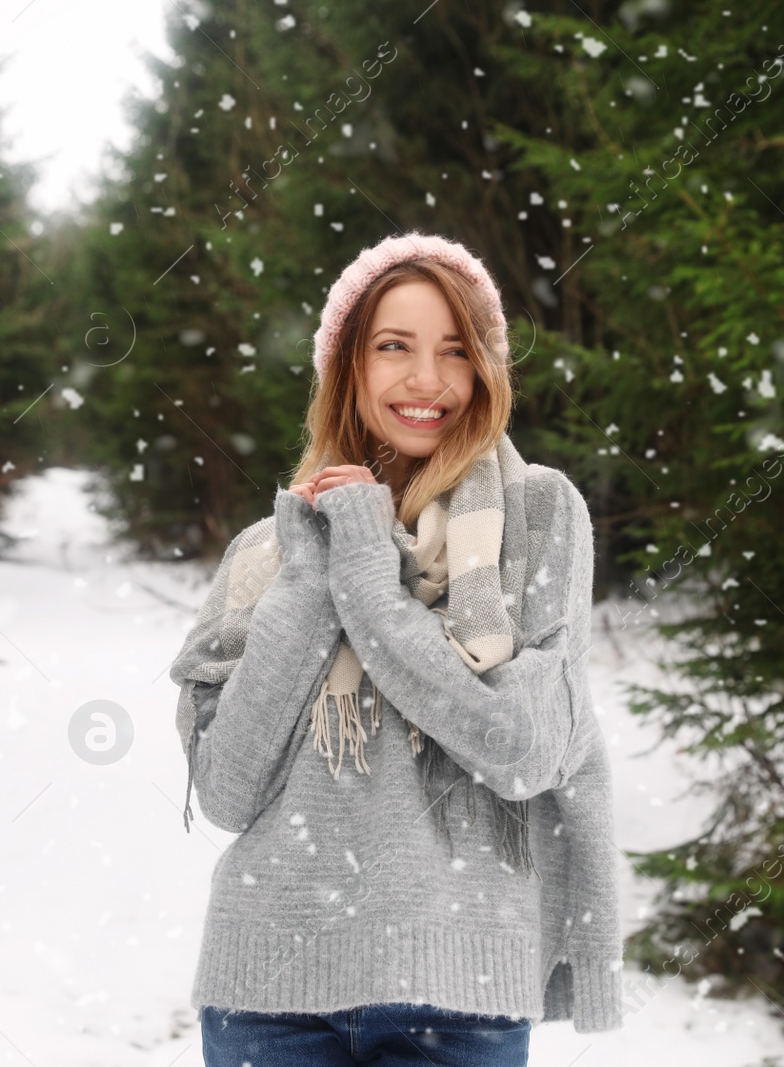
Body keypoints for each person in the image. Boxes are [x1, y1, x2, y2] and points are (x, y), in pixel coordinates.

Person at [169, 231, 623, 1067]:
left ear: (485, 369)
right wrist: (315, 574)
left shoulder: (537, 519)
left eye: (456, 350)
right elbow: (229, 790)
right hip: (267, 994)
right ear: (348, 367)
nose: (426, 380)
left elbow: (523, 749)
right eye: (394, 347)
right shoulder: (268, 554)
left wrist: (372, 585)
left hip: (459, 996)